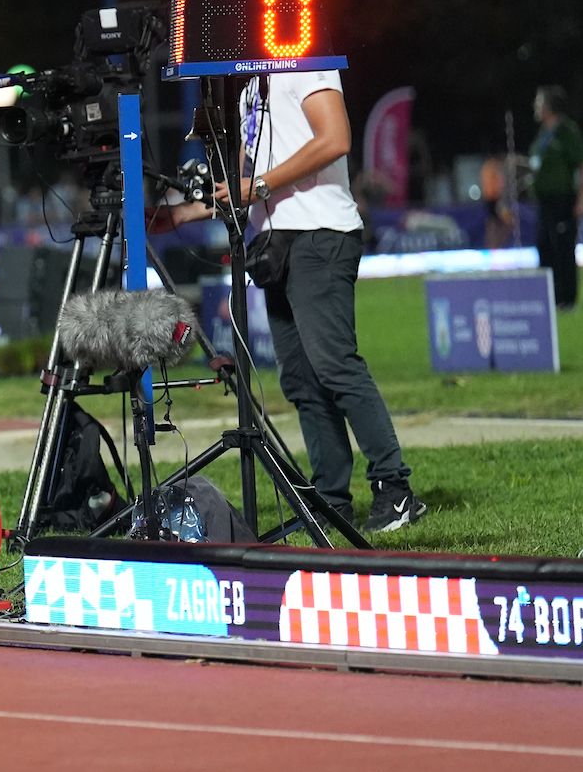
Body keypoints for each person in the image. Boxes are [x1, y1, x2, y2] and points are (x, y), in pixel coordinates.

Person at [173, 69, 424, 532]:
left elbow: (335, 138)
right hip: (278, 245)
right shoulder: (251, 88)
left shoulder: (305, 59)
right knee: (302, 380)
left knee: (334, 365)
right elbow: (246, 183)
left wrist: (260, 186)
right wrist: (184, 212)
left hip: (321, 235)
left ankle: (395, 489)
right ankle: (331, 499)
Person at [526, 86, 583, 309]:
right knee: (544, 246)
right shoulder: (542, 134)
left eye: (539, 101)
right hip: (544, 202)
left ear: (548, 106)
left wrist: (582, 198)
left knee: (563, 248)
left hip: (563, 200)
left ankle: (568, 300)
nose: (535, 106)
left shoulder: (566, 131)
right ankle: (550, 298)